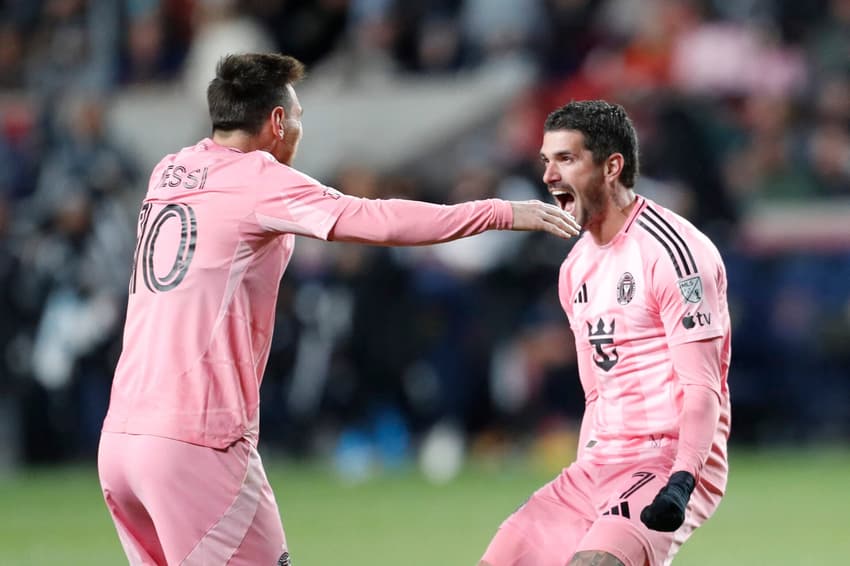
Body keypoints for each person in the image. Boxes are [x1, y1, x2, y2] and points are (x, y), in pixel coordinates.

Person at [96, 52, 579, 566]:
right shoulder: (258, 178)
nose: (300, 131)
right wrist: (500, 211)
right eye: (299, 116)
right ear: (278, 121)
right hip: (193, 440)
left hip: (121, 441)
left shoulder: (170, 171)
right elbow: (374, 219)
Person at [479, 100, 731, 566]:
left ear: (612, 166)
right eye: (546, 162)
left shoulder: (675, 253)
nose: (549, 176)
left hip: (667, 458)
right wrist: (586, 467)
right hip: (599, 464)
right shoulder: (575, 267)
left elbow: (703, 388)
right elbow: (597, 394)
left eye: (566, 159)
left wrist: (682, 480)